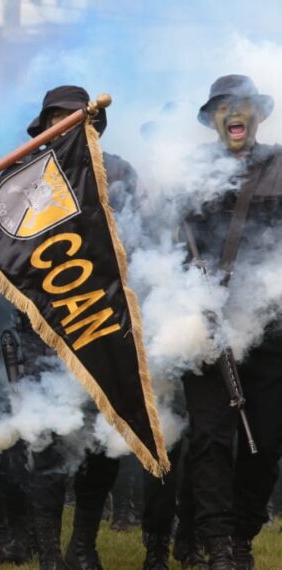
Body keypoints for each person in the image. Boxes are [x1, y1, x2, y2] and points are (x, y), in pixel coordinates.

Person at [181, 74, 282, 570]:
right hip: (205, 322)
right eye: (224, 107)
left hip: (270, 326)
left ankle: (242, 532)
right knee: (210, 438)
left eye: (242, 104)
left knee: (268, 439)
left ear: (257, 114)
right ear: (214, 120)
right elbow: (164, 242)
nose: (235, 113)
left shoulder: (281, 166)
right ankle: (218, 542)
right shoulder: (187, 172)